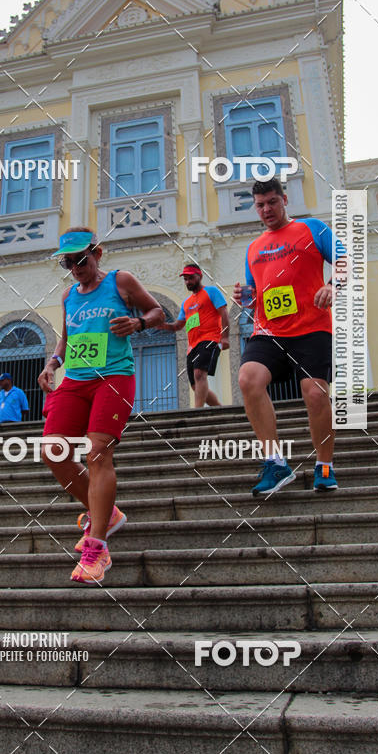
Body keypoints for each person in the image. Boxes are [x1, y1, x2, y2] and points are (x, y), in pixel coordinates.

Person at [38, 227, 164, 585]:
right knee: (53, 450)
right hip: (76, 380)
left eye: (81, 258)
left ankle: (97, 547)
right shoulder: (68, 296)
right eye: (68, 261)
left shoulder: (121, 282)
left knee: (97, 453)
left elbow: (156, 311)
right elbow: (66, 339)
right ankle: (105, 515)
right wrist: (51, 365)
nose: (75, 266)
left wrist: (138, 323)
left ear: (98, 254)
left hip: (113, 377)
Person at [233, 178, 344, 495]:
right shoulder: (253, 248)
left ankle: (324, 465)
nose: (266, 209)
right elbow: (255, 295)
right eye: (260, 205)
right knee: (247, 379)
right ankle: (276, 463)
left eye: (272, 202)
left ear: (284, 199)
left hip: (311, 328)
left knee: (315, 393)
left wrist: (332, 285)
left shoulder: (312, 229)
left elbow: (346, 261)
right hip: (269, 332)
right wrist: (246, 297)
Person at [159, 264, 229, 407]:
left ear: (200, 276)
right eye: (185, 279)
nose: (188, 282)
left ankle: (196, 413)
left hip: (210, 339)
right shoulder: (186, 303)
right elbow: (178, 325)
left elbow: (224, 313)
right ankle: (219, 409)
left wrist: (225, 336)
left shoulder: (211, 292)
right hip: (192, 347)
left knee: (199, 375)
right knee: (195, 386)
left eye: (191, 278)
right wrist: (162, 325)